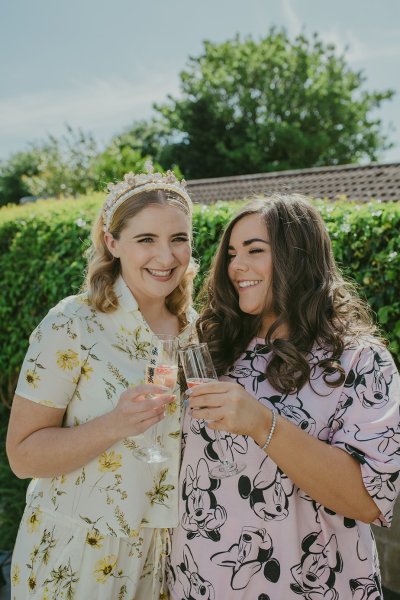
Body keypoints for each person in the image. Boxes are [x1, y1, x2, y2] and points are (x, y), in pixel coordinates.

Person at [167, 194, 400, 600]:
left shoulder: (359, 360)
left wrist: (262, 424)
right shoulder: (214, 346)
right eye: (233, 253)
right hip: (201, 581)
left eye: (255, 250)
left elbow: (368, 501)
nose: (237, 266)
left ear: (299, 256)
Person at [6, 166, 198, 600]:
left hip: (167, 557)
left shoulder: (196, 329)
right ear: (113, 243)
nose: (165, 257)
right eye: (146, 239)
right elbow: (22, 457)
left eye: (179, 239)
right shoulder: (73, 323)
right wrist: (114, 424)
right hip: (77, 556)